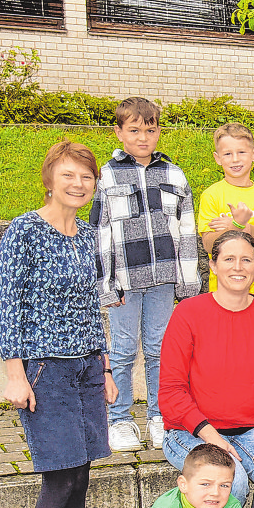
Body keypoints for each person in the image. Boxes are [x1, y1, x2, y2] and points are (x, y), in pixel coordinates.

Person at [0, 139, 118, 508]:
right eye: (69, 175)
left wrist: (105, 367)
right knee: (60, 478)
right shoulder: (24, 231)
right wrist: (15, 374)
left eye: (86, 177)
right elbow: (8, 305)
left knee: (81, 476)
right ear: (50, 179)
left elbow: (93, 307)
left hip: (87, 366)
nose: (78, 184)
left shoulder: (87, 236)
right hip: (45, 368)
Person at [92, 97, 200, 454]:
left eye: (150, 130)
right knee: (122, 350)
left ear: (158, 132)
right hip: (125, 279)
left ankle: (159, 416)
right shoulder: (107, 176)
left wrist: (187, 282)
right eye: (134, 130)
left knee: (160, 350)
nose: (142, 137)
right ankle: (119, 419)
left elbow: (186, 230)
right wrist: (106, 283)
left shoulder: (173, 174)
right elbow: (101, 231)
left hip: (164, 279)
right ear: (119, 132)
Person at [159, 230, 254, 504]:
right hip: (191, 432)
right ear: (213, 265)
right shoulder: (187, 313)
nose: (238, 267)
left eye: (246, 260)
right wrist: (210, 436)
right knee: (229, 483)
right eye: (229, 259)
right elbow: (171, 391)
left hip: (253, 430)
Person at [197, 122, 254, 300]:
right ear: (217, 158)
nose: (235, 159)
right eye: (227, 154)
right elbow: (207, 244)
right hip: (223, 294)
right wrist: (234, 226)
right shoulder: (211, 195)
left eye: (242, 152)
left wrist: (245, 227)